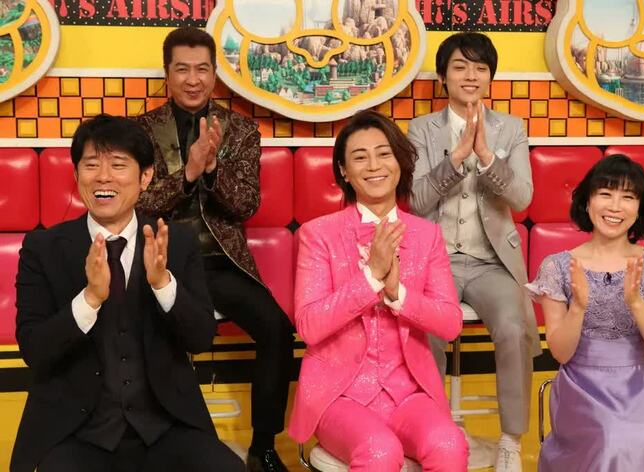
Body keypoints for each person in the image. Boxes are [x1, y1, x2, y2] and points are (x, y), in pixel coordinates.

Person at [11, 115, 244, 472]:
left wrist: (163, 284)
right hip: (76, 430)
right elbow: (34, 350)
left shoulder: (175, 242)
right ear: (76, 174)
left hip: (166, 426)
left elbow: (200, 337)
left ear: (145, 176)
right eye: (91, 165)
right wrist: (89, 298)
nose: (103, 177)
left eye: (118, 165)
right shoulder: (43, 248)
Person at [135, 26, 293, 472]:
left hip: (219, 262)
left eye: (202, 69)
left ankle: (263, 447)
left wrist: (210, 172)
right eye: (182, 69)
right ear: (167, 73)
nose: (193, 79)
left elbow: (245, 205)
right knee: (140, 332)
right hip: (159, 259)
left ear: (215, 73)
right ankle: (154, 444)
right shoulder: (139, 132)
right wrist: (186, 174)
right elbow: (137, 203)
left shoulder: (240, 130)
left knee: (278, 330)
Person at [288, 110, 468, 471]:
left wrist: (397, 293)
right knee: (379, 450)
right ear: (344, 171)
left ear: (399, 162)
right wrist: (370, 277)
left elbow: (451, 324)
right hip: (338, 395)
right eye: (360, 157)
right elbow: (309, 326)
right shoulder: (317, 234)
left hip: (409, 394)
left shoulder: (427, 235)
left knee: (449, 444)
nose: (374, 166)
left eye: (384, 154)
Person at [406, 31, 540, 471]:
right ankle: (433, 434)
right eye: (460, 66)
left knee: (514, 328)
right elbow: (416, 201)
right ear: (443, 77)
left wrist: (485, 156)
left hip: (491, 262)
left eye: (480, 68)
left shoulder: (511, 128)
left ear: (490, 78)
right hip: (435, 261)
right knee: (424, 329)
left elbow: (522, 198)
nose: (470, 75)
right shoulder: (421, 129)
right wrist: (455, 159)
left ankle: (510, 441)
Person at [527, 154, 644, 471]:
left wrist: (635, 302)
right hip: (581, 388)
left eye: (628, 197)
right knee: (610, 441)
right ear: (587, 202)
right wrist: (578, 308)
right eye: (605, 193)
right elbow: (561, 353)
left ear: (640, 208)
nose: (615, 206)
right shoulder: (557, 266)